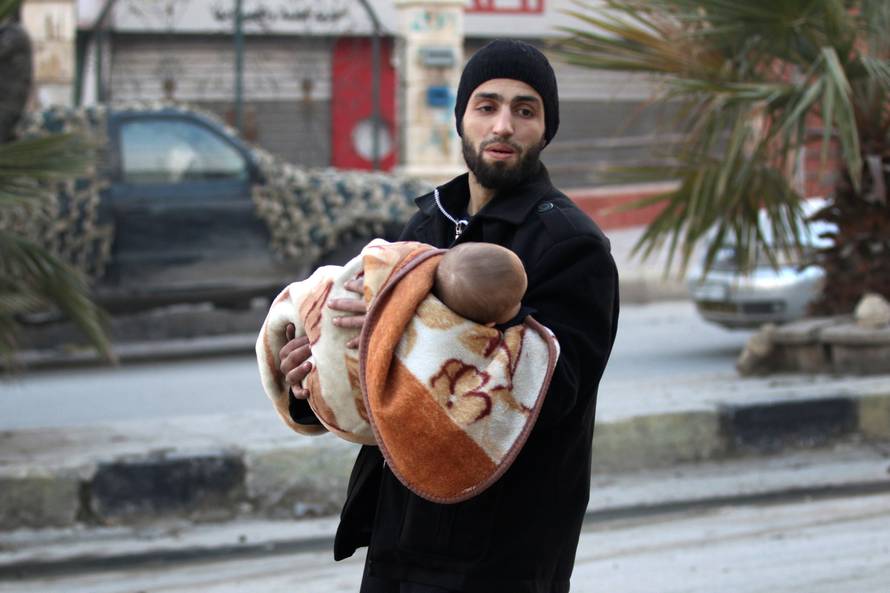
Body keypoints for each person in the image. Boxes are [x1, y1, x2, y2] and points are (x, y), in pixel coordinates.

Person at [277, 38, 619, 593]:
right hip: (401, 534)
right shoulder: (426, 228)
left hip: (502, 552)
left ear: (546, 129)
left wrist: (401, 336)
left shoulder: (569, 246)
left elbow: (554, 393)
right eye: (486, 106)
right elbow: (382, 387)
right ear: (462, 120)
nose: (503, 125)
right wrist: (315, 378)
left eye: (524, 110)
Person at [257, 239, 529, 444]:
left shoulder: (561, 237)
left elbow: (559, 386)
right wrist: (307, 382)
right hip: (382, 488)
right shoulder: (430, 214)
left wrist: (398, 329)